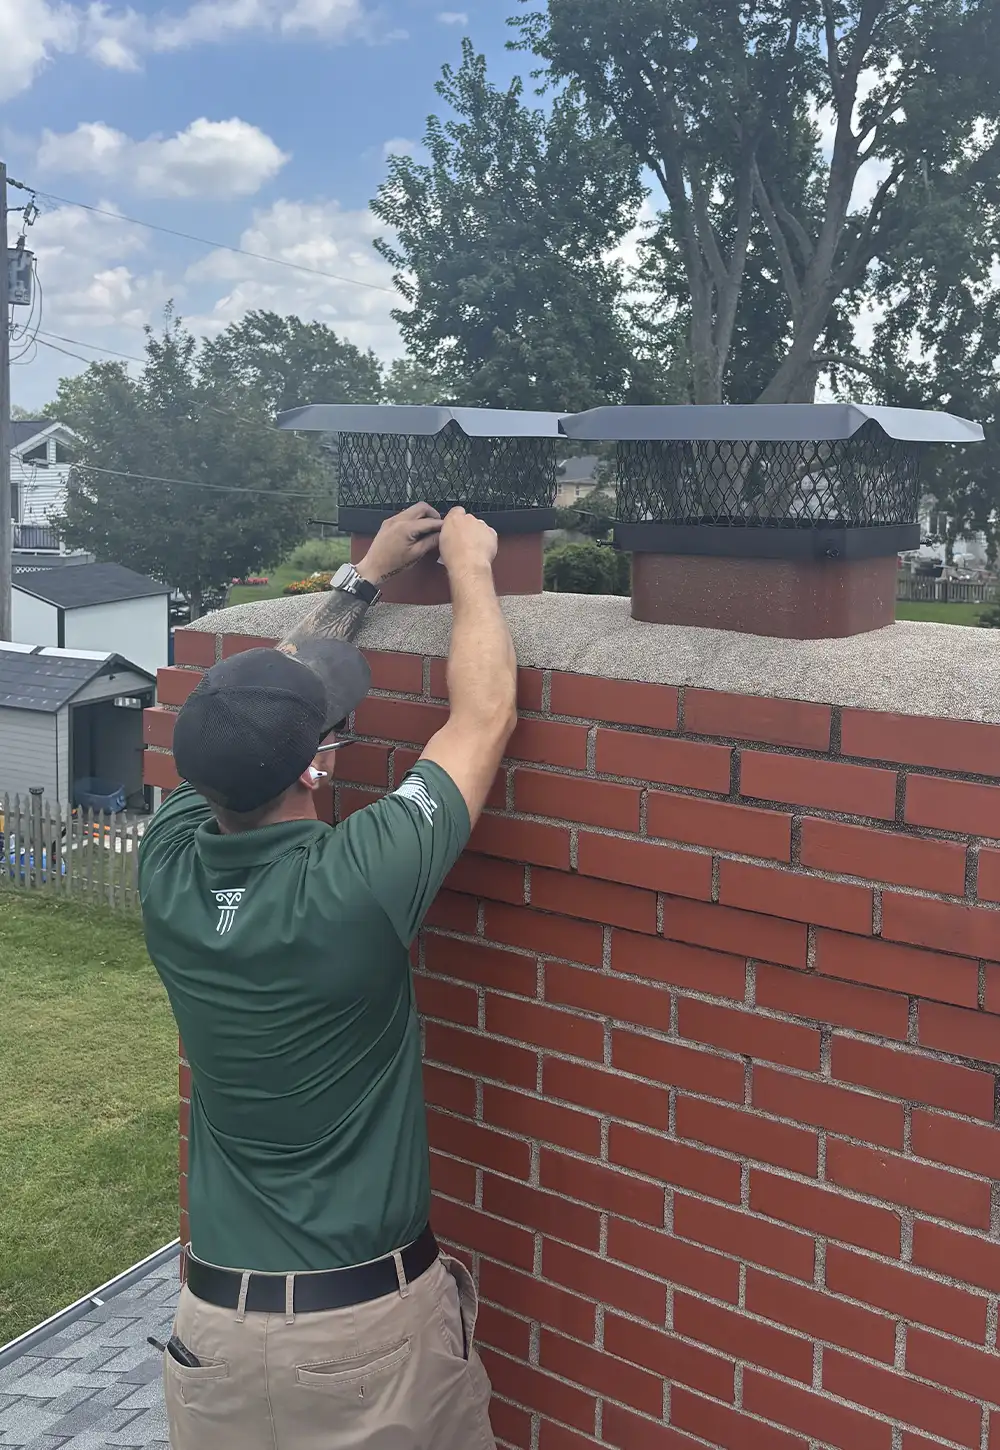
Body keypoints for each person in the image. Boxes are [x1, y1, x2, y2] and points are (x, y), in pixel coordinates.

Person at [138, 503, 517, 1450]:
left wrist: (364, 577)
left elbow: (249, 715)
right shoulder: (354, 883)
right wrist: (471, 567)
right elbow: (482, 717)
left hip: (210, 1338)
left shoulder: (169, 862)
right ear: (314, 768)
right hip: (363, 1348)